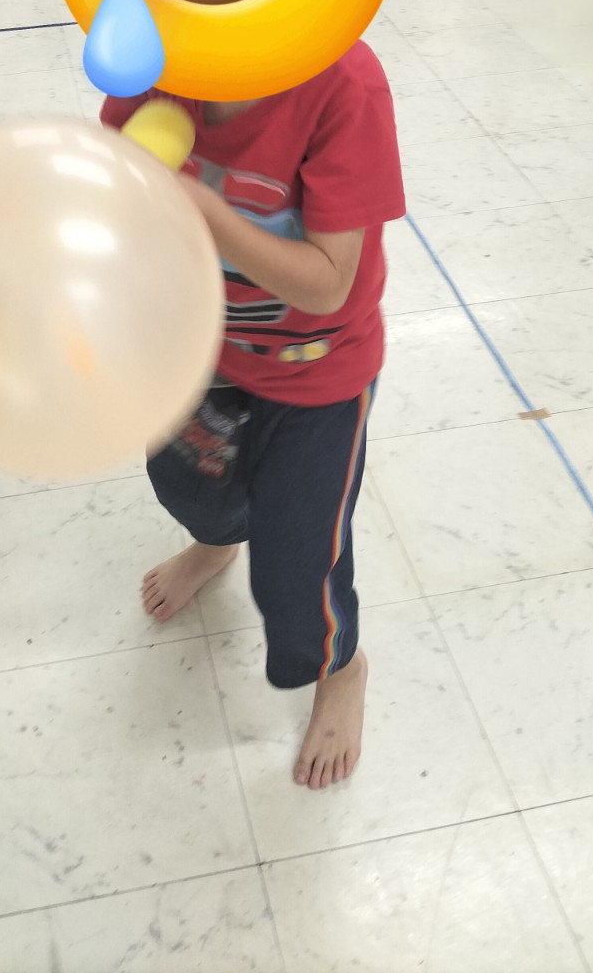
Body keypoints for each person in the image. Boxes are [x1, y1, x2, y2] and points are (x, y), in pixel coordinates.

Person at [100, 42, 405, 790]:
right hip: (198, 344)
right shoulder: (153, 61)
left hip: (317, 372)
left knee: (298, 570)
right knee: (188, 487)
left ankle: (341, 669)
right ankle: (214, 544)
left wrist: (207, 212)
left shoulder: (344, 86)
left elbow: (327, 285)